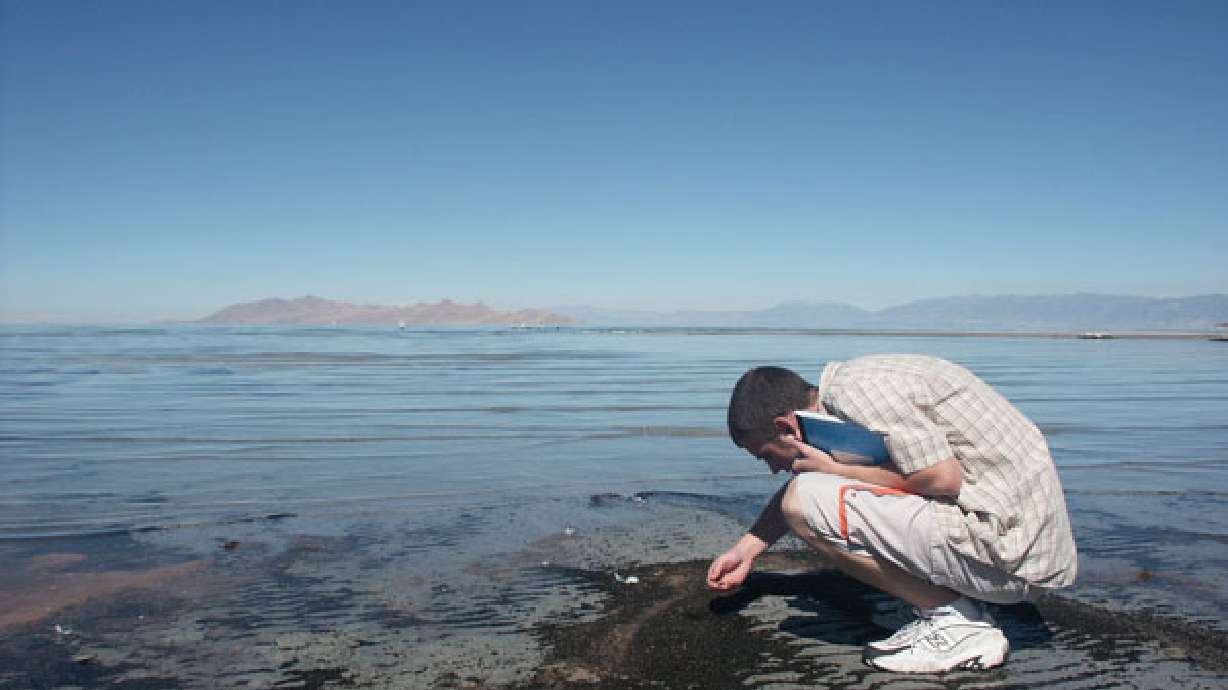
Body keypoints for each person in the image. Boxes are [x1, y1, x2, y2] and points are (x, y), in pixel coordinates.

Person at [707, 355, 1077, 673]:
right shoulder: (852, 394)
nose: (773, 468)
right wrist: (746, 551)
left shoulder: (860, 392)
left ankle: (957, 624)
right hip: (1015, 551)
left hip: (1008, 560)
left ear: (784, 427)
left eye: (767, 455)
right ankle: (948, 603)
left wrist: (837, 471)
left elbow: (942, 479)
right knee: (812, 491)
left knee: (804, 500)